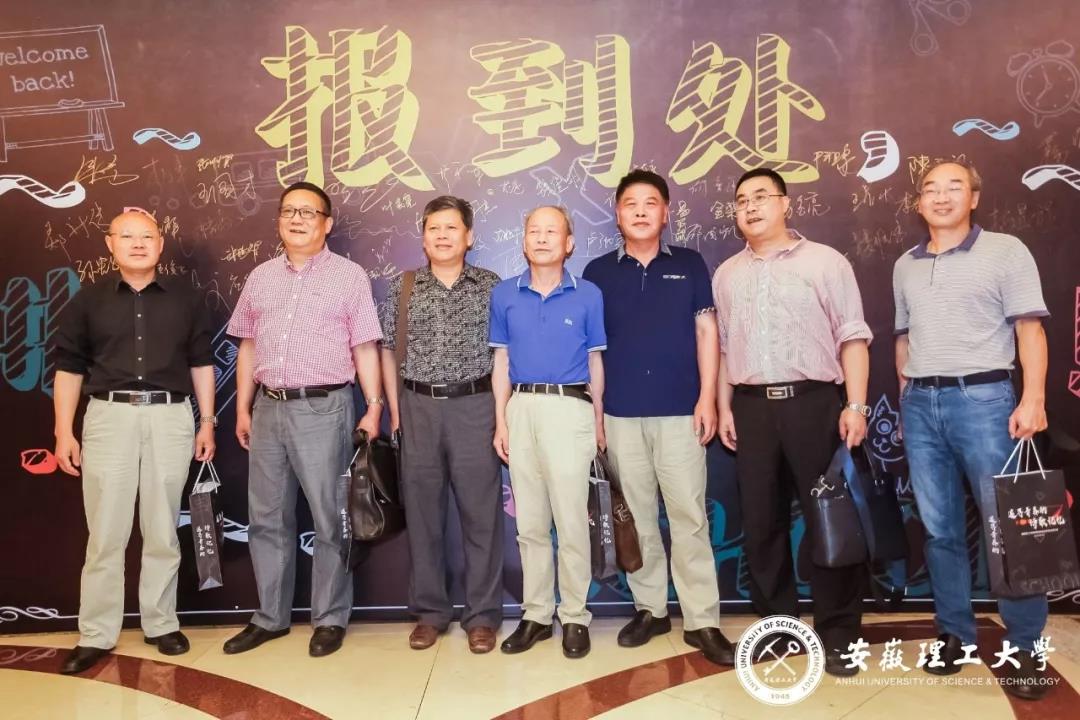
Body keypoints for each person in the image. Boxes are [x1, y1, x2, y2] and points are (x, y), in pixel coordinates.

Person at [894, 159, 1051, 699]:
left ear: (975, 197)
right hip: (921, 404)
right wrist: (907, 397)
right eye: (930, 189)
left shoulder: (1006, 251)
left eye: (954, 187)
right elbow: (903, 338)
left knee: (1007, 525)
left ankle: (1025, 645)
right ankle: (954, 636)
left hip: (985, 400)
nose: (941, 197)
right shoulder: (905, 265)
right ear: (919, 202)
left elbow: (1029, 330)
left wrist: (1033, 398)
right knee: (939, 529)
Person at [713, 168, 872, 676]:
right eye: (742, 199)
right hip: (751, 407)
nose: (751, 206)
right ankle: (778, 625)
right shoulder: (727, 274)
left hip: (815, 403)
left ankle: (839, 633)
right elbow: (724, 349)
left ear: (785, 204)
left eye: (761, 196)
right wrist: (723, 407)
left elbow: (853, 336)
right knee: (762, 522)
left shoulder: (825, 261)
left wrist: (855, 405)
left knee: (830, 519)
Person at [223, 181, 383, 658]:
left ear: (326, 224)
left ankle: (329, 618)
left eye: (308, 212)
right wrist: (243, 406)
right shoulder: (260, 277)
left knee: (329, 517)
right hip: (267, 408)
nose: (297, 219)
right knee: (266, 517)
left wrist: (374, 406)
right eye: (289, 211)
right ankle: (270, 617)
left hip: (324, 407)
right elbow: (248, 345)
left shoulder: (349, 276)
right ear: (278, 220)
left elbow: (365, 346)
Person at [53, 208, 216, 674]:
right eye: (127, 236)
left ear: (160, 243)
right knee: (106, 532)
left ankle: (161, 623)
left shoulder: (186, 299)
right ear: (110, 244)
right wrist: (63, 430)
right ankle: (96, 633)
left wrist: (207, 422)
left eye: (147, 236)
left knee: (162, 526)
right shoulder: (87, 300)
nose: (138, 244)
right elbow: (68, 368)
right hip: (109, 417)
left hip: (170, 416)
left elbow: (202, 362)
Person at [583, 169, 734, 666]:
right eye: (631, 203)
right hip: (621, 414)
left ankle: (702, 619)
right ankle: (650, 609)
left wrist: (708, 398)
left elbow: (707, 333)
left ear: (666, 212)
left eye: (651, 202)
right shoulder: (598, 273)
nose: (641, 211)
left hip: (681, 412)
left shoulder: (689, 264)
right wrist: (597, 415)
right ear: (618, 214)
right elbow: (593, 352)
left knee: (689, 517)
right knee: (639, 517)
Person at [378, 196, 504, 654]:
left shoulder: (491, 286)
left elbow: (503, 356)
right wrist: (396, 410)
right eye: (434, 228)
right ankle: (430, 613)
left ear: (469, 236)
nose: (443, 235)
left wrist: (501, 415)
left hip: (476, 406)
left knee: (481, 517)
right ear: (424, 236)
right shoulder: (405, 286)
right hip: (418, 407)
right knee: (423, 515)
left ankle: (482, 616)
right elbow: (388, 352)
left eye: (452, 227)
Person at [490, 206, 606, 659]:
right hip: (521, 407)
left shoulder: (588, 294)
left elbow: (595, 361)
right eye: (533, 231)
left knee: (572, 520)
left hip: (570, 408)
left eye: (551, 231)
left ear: (569, 243)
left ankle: (575, 615)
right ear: (523, 241)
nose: (541, 238)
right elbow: (501, 361)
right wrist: (501, 419)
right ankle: (536, 615)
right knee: (531, 523)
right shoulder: (504, 294)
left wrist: (598, 420)